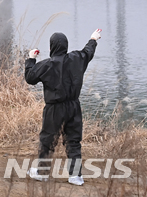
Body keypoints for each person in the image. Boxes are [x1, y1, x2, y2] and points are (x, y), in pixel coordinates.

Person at [24, 29, 101, 186]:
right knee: (73, 141)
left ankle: (42, 172)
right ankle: (76, 176)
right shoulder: (76, 59)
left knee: (48, 140)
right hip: (73, 107)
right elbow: (88, 52)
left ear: (51, 46)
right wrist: (93, 38)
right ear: (66, 45)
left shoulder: (46, 65)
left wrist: (31, 59)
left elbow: (30, 78)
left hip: (54, 109)